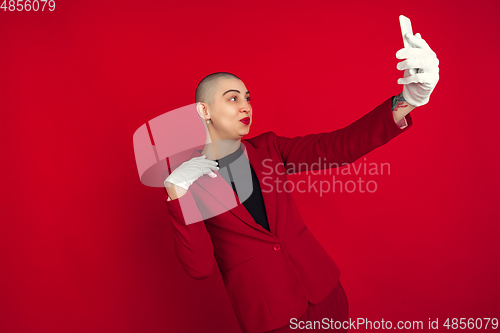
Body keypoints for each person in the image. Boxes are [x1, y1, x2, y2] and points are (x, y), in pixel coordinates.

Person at [163, 32, 439, 333]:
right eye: (233, 98)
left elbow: (337, 147)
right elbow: (200, 267)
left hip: (324, 296)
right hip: (272, 316)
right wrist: (177, 193)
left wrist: (407, 100)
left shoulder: (269, 149)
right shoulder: (189, 181)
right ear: (204, 111)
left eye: (247, 98)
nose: (246, 106)